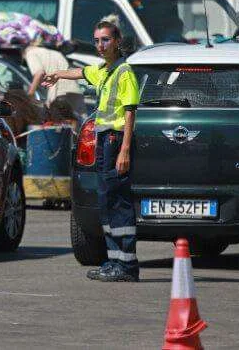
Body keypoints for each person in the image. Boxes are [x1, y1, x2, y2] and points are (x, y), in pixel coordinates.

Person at [43, 20, 140, 282]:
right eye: (97, 40)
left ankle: (127, 265)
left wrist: (125, 150)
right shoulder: (105, 70)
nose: (100, 45)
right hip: (103, 141)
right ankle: (113, 261)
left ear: (117, 41)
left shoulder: (124, 72)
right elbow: (82, 73)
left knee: (118, 202)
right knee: (106, 202)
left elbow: (130, 112)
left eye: (105, 40)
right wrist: (57, 75)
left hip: (116, 141)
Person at [23, 40, 85, 119]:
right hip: (76, 91)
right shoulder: (57, 53)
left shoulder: (31, 53)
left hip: (59, 95)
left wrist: (30, 95)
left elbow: (39, 73)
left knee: (60, 128)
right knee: (80, 126)